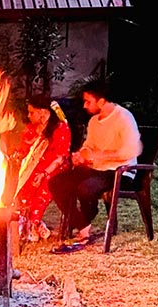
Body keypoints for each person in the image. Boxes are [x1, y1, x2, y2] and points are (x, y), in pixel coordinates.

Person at [48, 77, 142, 248]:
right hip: (97, 168)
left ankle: (85, 221)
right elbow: (89, 146)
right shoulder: (93, 121)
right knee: (57, 182)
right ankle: (83, 224)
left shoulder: (124, 118)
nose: (84, 106)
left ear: (101, 101)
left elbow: (130, 151)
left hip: (120, 171)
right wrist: (81, 155)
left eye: (87, 101)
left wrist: (99, 157)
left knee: (85, 188)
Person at [12, 94, 72, 243]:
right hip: (33, 169)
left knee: (44, 186)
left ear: (44, 112)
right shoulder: (30, 130)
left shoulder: (61, 128)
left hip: (56, 170)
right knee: (21, 188)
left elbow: (60, 157)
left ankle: (32, 225)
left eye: (32, 112)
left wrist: (44, 173)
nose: (28, 115)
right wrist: (15, 157)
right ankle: (31, 225)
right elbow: (24, 150)